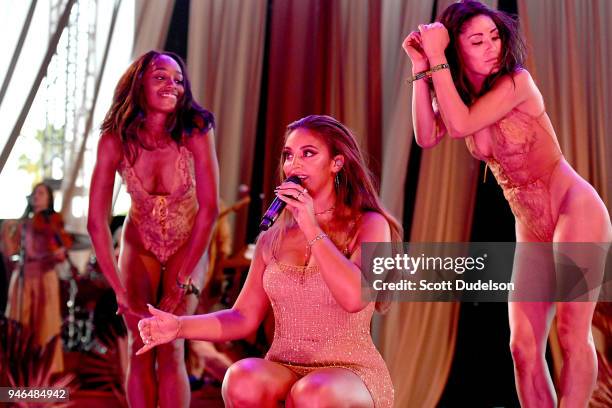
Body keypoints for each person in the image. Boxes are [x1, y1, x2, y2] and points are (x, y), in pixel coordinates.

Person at [404, 1, 612, 406]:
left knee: (572, 333)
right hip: (530, 223)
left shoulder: (517, 81)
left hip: (574, 207)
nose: (491, 48)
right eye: (477, 41)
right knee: (523, 348)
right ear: (456, 51)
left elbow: (462, 125)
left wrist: (435, 58)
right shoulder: (459, 94)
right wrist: (419, 65)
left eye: (495, 37)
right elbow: (427, 137)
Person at [136, 115, 402, 407]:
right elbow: (243, 317)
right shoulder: (271, 239)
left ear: (336, 163)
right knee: (241, 378)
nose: (294, 165)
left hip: (351, 373)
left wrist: (311, 227)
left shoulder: (370, 225)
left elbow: (355, 297)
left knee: (312, 393)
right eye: (288, 155)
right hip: (284, 366)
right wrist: (178, 327)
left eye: (308, 153)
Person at [87, 50, 219, 408]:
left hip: (187, 243)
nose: (172, 85)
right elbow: (96, 223)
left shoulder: (195, 132)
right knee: (140, 345)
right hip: (139, 244)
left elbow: (210, 210)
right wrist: (117, 288)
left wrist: (183, 281)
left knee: (172, 344)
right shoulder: (115, 140)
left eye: (178, 80)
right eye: (161, 77)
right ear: (139, 83)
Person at [5, 182, 73, 375]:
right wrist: (10, 231)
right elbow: (11, 250)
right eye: (34, 193)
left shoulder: (54, 221)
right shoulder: (23, 224)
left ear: (49, 198)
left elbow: (61, 252)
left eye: (41, 193)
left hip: (45, 277)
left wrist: (57, 250)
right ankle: (16, 370)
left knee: (46, 324)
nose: (36, 196)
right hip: (24, 276)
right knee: (20, 322)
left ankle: (45, 372)